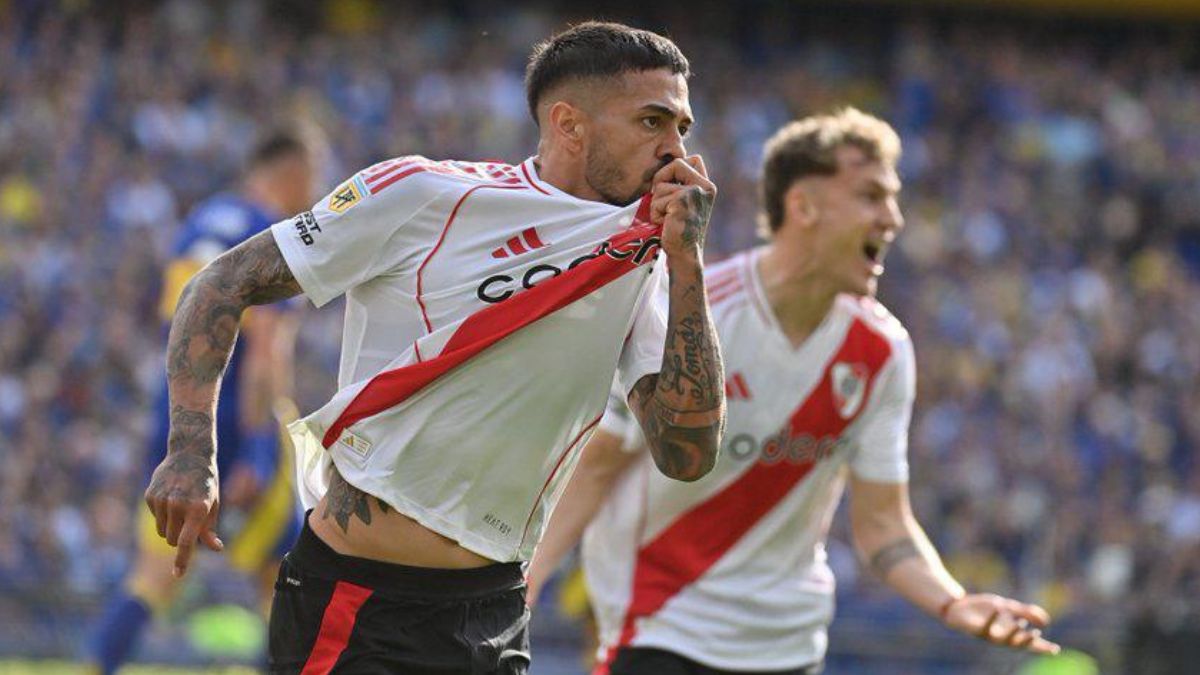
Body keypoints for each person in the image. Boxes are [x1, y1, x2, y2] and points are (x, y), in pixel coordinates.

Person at [142, 22, 727, 675]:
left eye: (682, 126)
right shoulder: (426, 194)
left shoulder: (645, 262)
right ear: (569, 125)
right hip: (361, 597)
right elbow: (221, 282)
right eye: (653, 121)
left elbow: (686, 451)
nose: (676, 149)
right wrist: (192, 453)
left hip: (495, 612)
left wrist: (687, 267)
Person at [527, 108, 1062, 675]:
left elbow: (883, 524)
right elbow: (598, 467)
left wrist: (952, 601)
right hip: (659, 627)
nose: (894, 218)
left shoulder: (881, 349)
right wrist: (527, 582)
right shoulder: (694, 314)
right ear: (803, 206)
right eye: (871, 196)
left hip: (790, 644)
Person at [88, 129, 318, 673]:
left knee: (151, 578)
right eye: (315, 174)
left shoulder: (196, 224)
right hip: (243, 421)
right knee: (285, 577)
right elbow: (264, 349)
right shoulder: (273, 233)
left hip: (177, 422)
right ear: (293, 170)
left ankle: (95, 668)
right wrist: (257, 449)